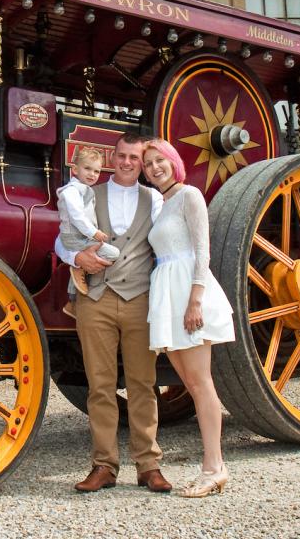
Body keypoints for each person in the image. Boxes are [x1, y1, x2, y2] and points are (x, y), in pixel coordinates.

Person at [55, 133, 172, 494]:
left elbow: (169, 242)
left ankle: (149, 465)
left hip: (140, 298)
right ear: (112, 158)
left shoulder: (153, 198)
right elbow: (62, 237)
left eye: (134, 158)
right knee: (100, 387)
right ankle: (104, 466)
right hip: (96, 300)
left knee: (142, 384)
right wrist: (76, 258)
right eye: (121, 155)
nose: (125, 162)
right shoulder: (87, 193)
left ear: (142, 162)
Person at [141, 138, 235, 498]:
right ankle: (213, 467)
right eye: (148, 164)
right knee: (192, 385)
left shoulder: (189, 195)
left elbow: (201, 249)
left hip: (187, 291)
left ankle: (214, 468)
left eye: (159, 160)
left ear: (173, 161)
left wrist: (196, 299)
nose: (154, 168)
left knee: (201, 383)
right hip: (167, 289)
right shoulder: (161, 204)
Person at [57, 146, 120, 318]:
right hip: (75, 237)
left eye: (97, 171)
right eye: (87, 169)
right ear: (75, 169)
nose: (92, 174)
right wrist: (95, 233)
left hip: (78, 237)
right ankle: (78, 268)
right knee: (113, 253)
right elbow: (77, 217)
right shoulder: (71, 191)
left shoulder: (85, 190)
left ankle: (72, 302)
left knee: (92, 260)